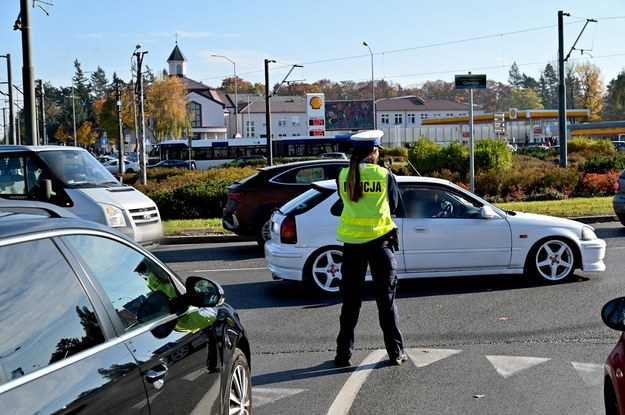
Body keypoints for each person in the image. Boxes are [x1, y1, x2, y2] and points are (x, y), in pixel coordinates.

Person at [334, 130, 407, 367]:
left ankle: (343, 356)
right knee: (386, 301)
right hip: (380, 244)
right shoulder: (385, 175)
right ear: (375, 152)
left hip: (352, 246)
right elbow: (395, 205)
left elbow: (343, 203)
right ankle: (395, 353)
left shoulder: (343, 174)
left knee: (350, 303)